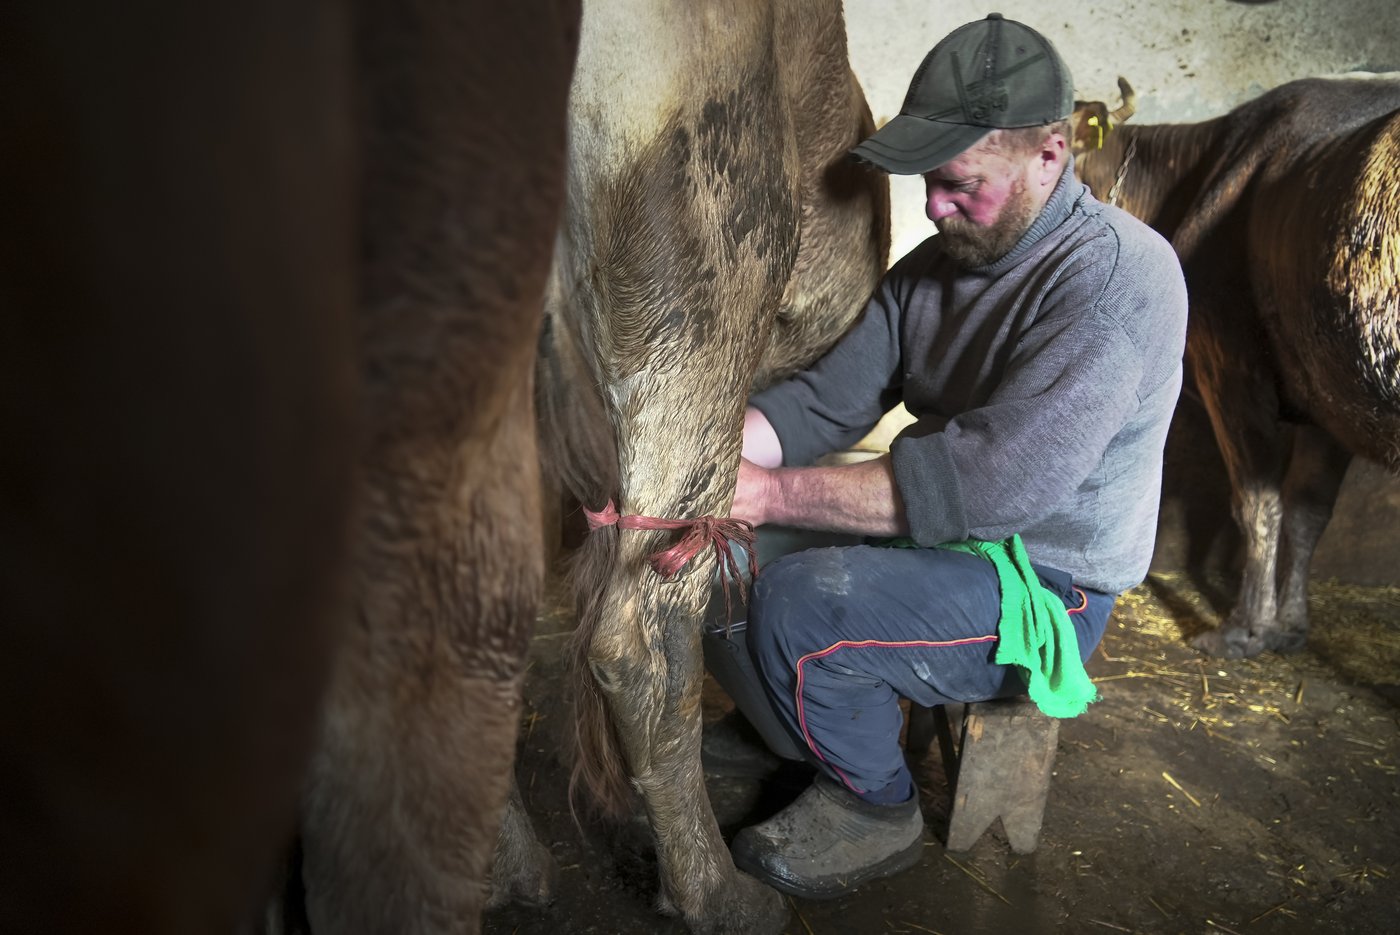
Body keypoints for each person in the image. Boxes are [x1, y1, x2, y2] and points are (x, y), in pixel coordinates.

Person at [707, 13, 1189, 899]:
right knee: (714, 556)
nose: (933, 206)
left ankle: (874, 804)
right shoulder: (934, 270)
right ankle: (792, 724)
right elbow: (824, 399)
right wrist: (705, 466)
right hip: (944, 539)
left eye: (961, 184)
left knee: (803, 603)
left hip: (1046, 578)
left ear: (1050, 155)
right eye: (930, 182)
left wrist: (768, 495)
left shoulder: (1120, 279)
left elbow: (990, 482)